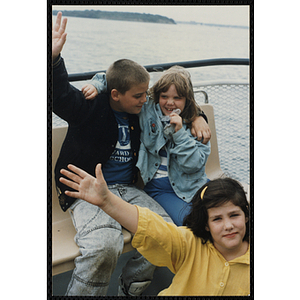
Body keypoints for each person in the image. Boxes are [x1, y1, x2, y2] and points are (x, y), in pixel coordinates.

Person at [52, 12, 211, 296]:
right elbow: (61, 96)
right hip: (87, 188)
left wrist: (197, 114)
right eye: (138, 95)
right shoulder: (90, 108)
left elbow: (171, 103)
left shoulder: (141, 112)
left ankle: (131, 289)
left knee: (164, 235)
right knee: (105, 245)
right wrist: (53, 60)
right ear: (116, 94)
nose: (144, 99)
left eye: (144, 95)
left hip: (127, 189)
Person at [59, 163, 250, 296]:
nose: (228, 226)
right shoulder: (189, 244)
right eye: (217, 218)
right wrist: (107, 201)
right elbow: (151, 227)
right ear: (206, 225)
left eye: (234, 215)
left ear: (246, 216)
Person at [81, 66, 210, 225]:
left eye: (177, 98)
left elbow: (194, 165)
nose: (170, 103)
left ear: (187, 99)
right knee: (193, 224)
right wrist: (95, 86)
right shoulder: (147, 109)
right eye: (164, 96)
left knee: (226, 212)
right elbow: (117, 80)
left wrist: (187, 126)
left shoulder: (198, 128)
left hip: (193, 184)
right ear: (157, 96)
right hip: (159, 188)